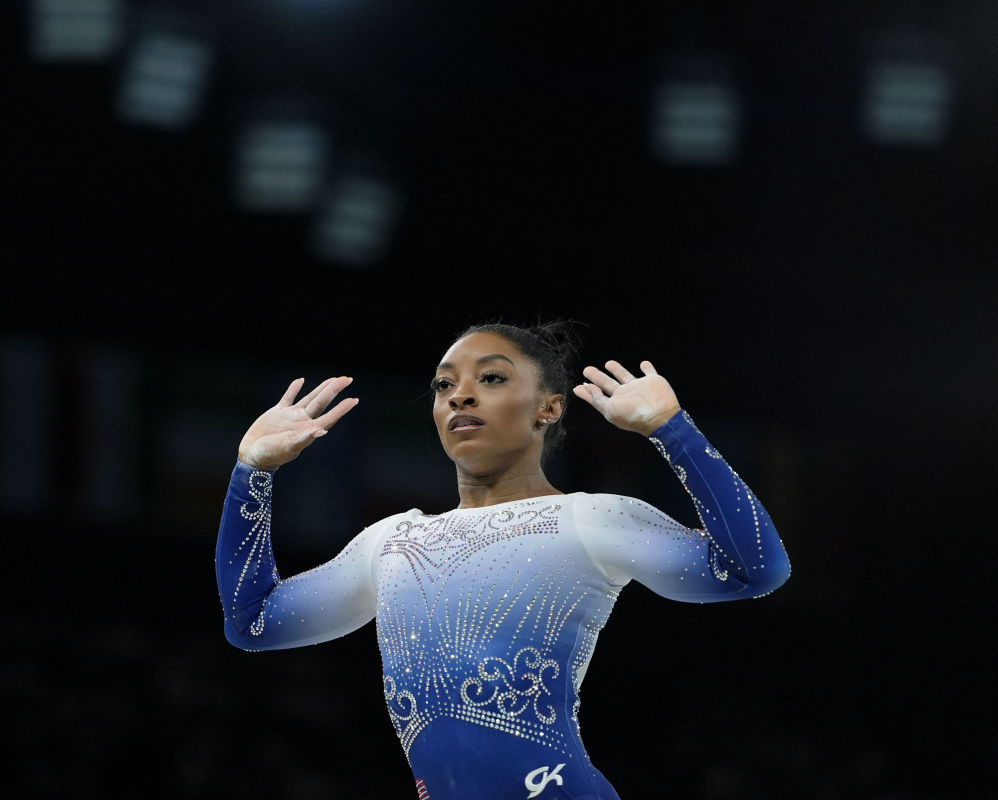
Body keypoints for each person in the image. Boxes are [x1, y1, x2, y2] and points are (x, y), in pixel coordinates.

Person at [215, 321, 789, 800]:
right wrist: (251, 474)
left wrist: (673, 430)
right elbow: (253, 623)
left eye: (490, 378)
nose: (460, 395)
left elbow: (753, 569)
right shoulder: (389, 543)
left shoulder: (591, 520)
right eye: (444, 386)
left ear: (548, 408)